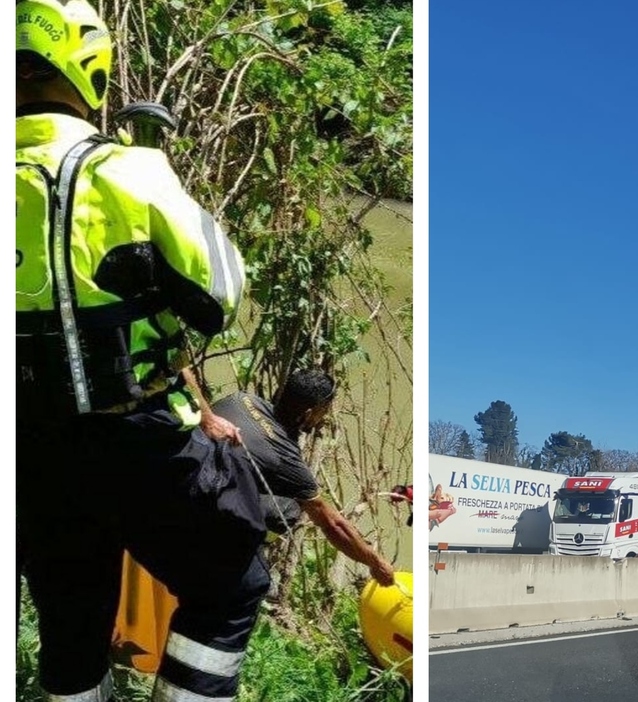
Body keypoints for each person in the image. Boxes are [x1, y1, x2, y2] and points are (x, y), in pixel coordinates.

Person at [16, 2, 265, 700]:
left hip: (30, 451)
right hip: (138, 441)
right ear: (89, 66)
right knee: (232, 581)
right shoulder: (130, 171)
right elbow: (221, 294)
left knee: (70, 613)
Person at [210, 370, 397, 587]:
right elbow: (332, 524)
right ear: (308, 414)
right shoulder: (285, 458)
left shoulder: (240, 398)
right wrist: (374, 561)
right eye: (323, 411)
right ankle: (238, 557)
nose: (324, 418)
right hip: (202, 513)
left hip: (180, 478)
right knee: (289, 509)